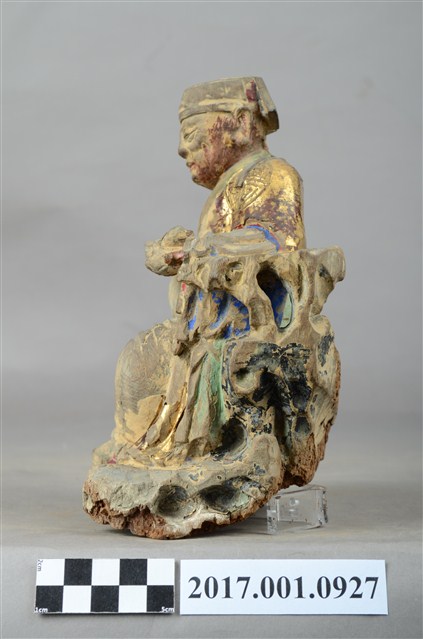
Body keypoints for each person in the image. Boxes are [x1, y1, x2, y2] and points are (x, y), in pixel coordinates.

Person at [99, 77, 307, 464]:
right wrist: (178, 252)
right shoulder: (230, 186)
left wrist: (198, 249)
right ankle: (139, 444)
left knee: (148, 358)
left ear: (241, 123)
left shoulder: (272, 174)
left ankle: (184, 450)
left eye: (192, 134)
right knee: (140, 358)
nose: (182, 149)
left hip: (243, 324)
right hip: (204, 323)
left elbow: (278, 240)